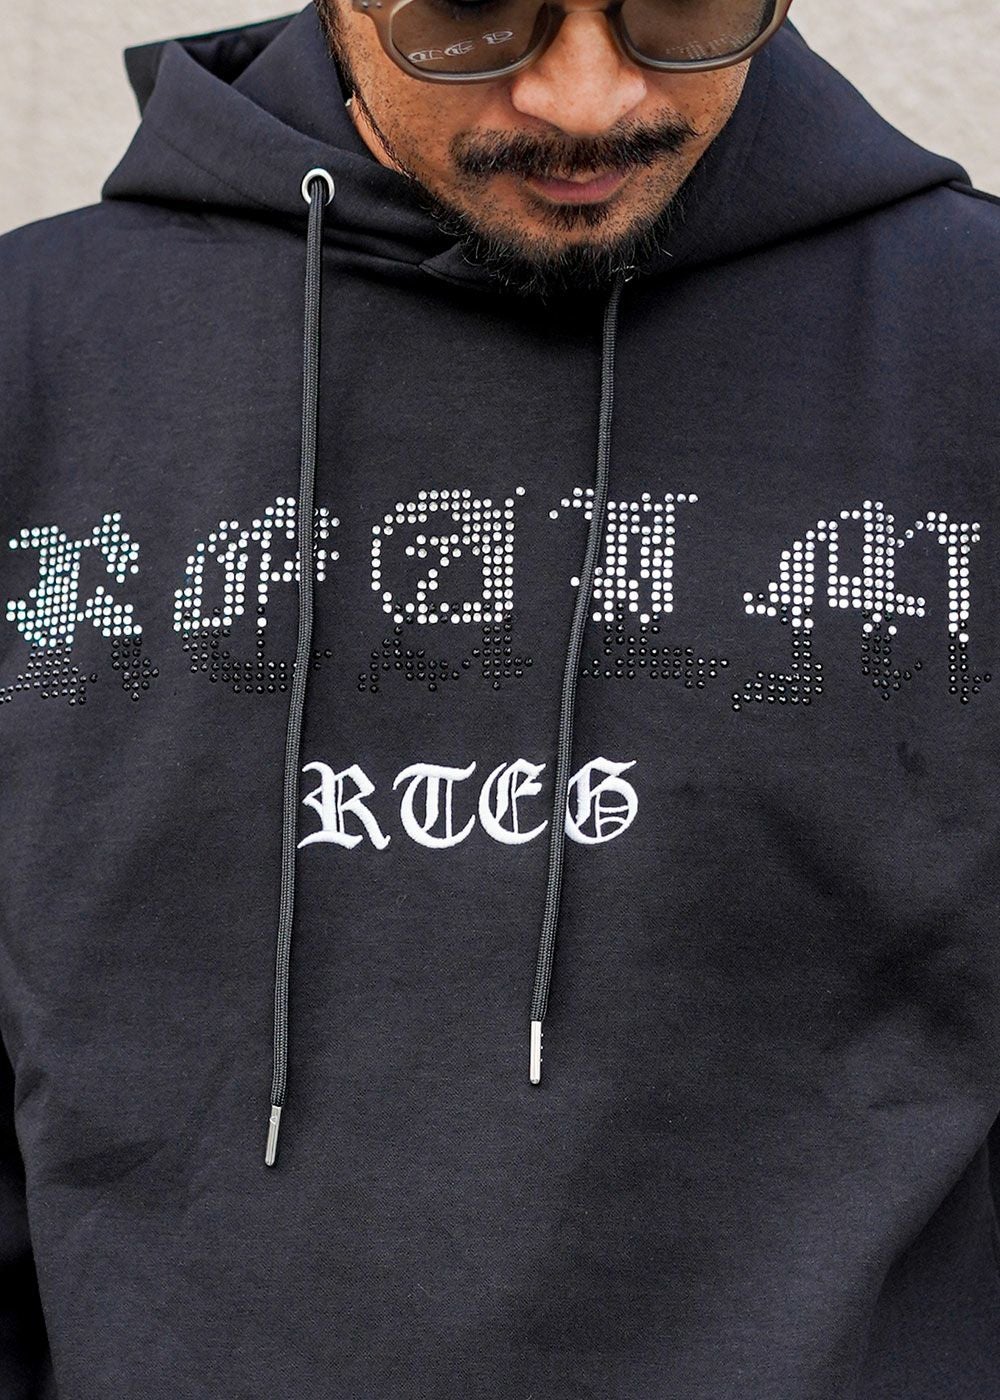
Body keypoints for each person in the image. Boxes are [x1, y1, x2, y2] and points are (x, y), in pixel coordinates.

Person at [1, 0, 999, 1393]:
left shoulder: (970, 339)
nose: (587, 100)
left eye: (679, 9)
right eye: (472, 16)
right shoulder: (33, 351)